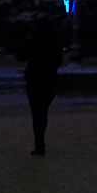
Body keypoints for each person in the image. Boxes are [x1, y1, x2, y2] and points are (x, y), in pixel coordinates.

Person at [17, 16, 64, 156]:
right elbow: (59, 61)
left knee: (37, 113)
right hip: (49, 80)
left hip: (35, 79)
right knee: (42, 112)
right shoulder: (55, 42)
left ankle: (39, 144)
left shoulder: (32, 41)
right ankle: (40, 143)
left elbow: (19, 56)